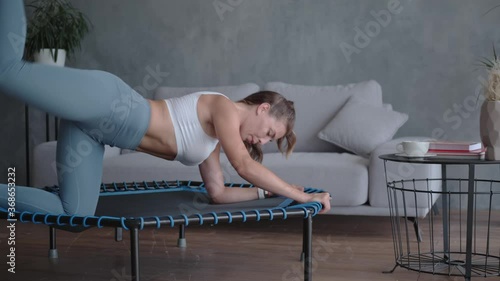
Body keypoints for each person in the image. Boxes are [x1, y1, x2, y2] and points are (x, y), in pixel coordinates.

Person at [0, 0, 331, 216]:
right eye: (270, 133)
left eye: (270, 142)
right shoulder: (223, 108)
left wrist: (268, 195)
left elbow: (217, 194)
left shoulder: (214, 143)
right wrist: (297, 194)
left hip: (95, 130)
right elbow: (243, 165)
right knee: (7, 71)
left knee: (74, 214)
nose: (263, 141)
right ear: (262, 109)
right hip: (108, 102)